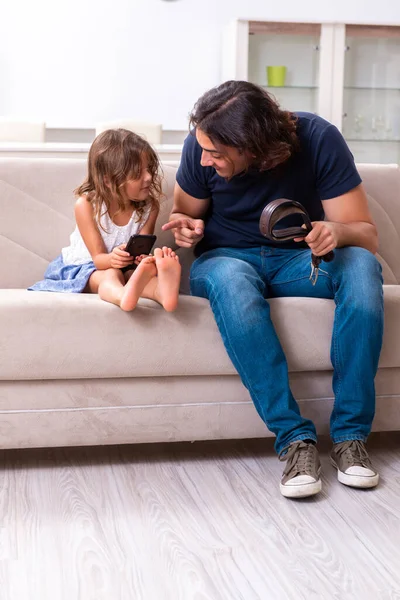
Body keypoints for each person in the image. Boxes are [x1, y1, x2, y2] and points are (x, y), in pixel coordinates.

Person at [162, 81, 384, 499]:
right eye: (203, 149)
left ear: (254, 147)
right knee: (230, 281)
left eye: (217, 154)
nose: (205, 160)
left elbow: (367, 237)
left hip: (301, 261)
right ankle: (294, 439)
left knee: (362, 265)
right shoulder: (200, 146)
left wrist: (335, 232)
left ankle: (351, 438)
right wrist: (187, 227)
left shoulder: (318, 139)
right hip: (227, 258)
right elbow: (183, 211)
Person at [29, 129, 181, 312]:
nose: (148, 177)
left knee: (134, 273)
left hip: (124, 267)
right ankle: (121, 296)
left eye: (149, 168)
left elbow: (141, 248)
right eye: (137, 173)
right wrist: (114, 259)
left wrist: (143, 260)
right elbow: (99, 260)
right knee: (111, 274)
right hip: (83, 268)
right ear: (108, 180)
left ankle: (161, 292)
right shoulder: (87, 206)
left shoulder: (149, 208)